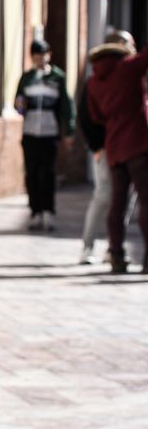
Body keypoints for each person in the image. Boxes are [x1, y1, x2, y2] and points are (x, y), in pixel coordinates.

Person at [82, 28, 148, 275]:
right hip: (138, 145)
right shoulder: (128, 68)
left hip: (114, 147)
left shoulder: (94, 82)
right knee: (145, 201)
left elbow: (96, 116)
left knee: (117, 204)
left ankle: (117, 256)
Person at [14, 38, 72, 232]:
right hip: (30, 132)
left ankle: (49, 211)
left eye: (43, 54)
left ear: (49, 55)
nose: (40, 59)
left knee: (47, 173)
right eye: (37, 55)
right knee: (31, 173)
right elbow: (19, 103)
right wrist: (20, 105)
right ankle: (35, 212)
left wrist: (69, 131)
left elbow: (66, 105)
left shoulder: (57, 77)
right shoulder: (27, 78)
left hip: (49, 133)